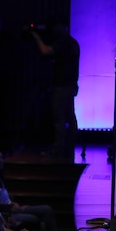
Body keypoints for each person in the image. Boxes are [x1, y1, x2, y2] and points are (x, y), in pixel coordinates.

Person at [30, 22, 80, 157]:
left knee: (59, 118)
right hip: (70, 85)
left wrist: (36, 38)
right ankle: (69, 147)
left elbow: (46, 51)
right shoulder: (73, 43)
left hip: (61, 86)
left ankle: (58, 149)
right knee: (70, 116)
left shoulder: (63, 42)